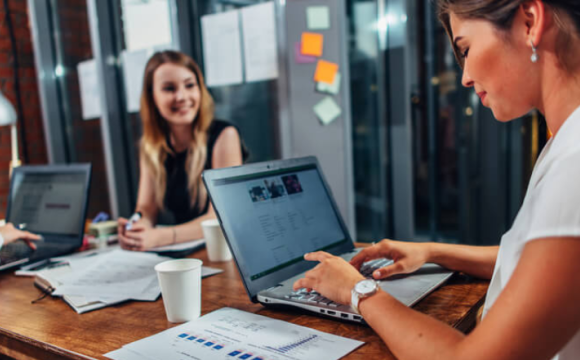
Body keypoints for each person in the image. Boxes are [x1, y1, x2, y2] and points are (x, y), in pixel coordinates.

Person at [293, 1, 580, 359]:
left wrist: (359, 293)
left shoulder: (574, 162)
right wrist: (432, 252)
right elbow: (538, 262)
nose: (464, 77)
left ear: (529, 21)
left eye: (466, 48)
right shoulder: (565, 142)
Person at [118, 51, 245, 251]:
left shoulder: (224, 135)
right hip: (187, 252)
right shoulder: (151, 146)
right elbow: (146, 209)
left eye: (189, 85)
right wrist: (136, 229)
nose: (181, 96)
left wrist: (160, 237)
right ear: (152, 97)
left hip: (226, 252)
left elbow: (221, 217)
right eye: (169, 88)